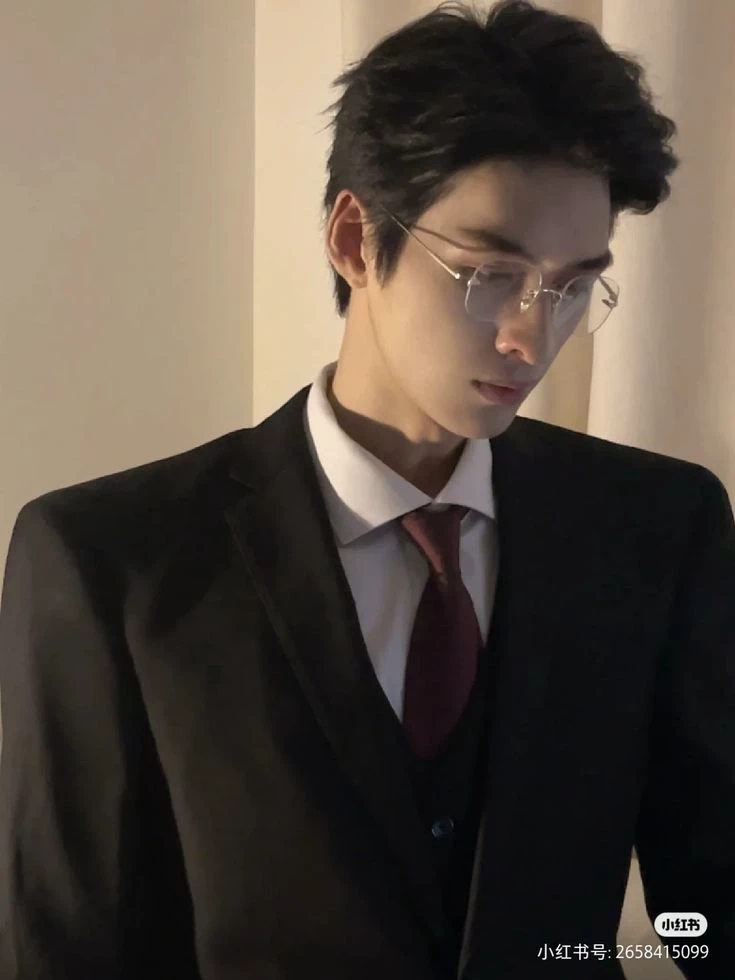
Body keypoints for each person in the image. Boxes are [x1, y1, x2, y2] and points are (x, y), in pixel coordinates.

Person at [0, 0, 733, 977]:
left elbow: (709, 897)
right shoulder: (111, 564)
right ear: (353, 239)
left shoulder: (656, 527)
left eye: (570, 286)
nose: (532, 336)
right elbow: (69, 945)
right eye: (489, 273)